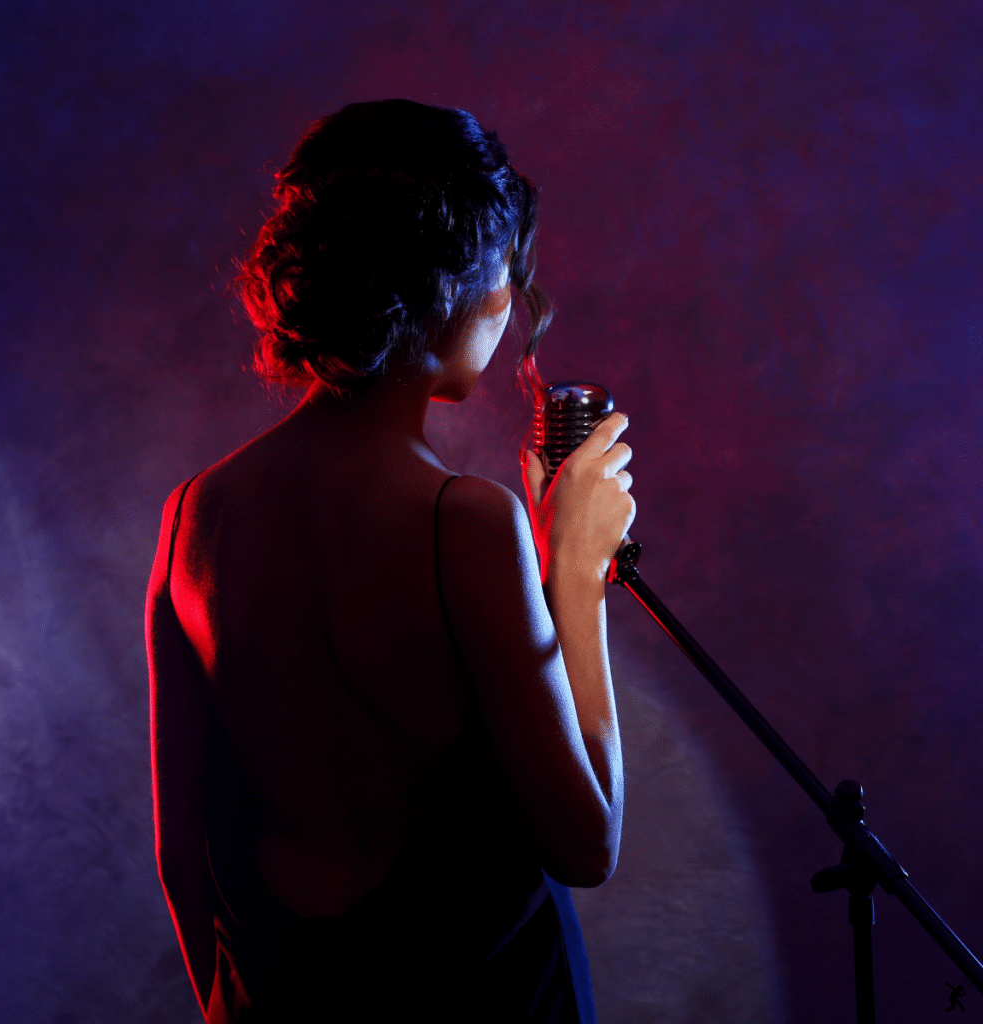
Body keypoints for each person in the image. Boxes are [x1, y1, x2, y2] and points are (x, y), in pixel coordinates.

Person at [145, 99, 635, 1023]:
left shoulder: (193, 516)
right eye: (507, 272)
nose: (511, 305)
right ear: (453, 283)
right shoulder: (466, 524)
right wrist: (573, 571)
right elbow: (587, 843)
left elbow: (183, 859)